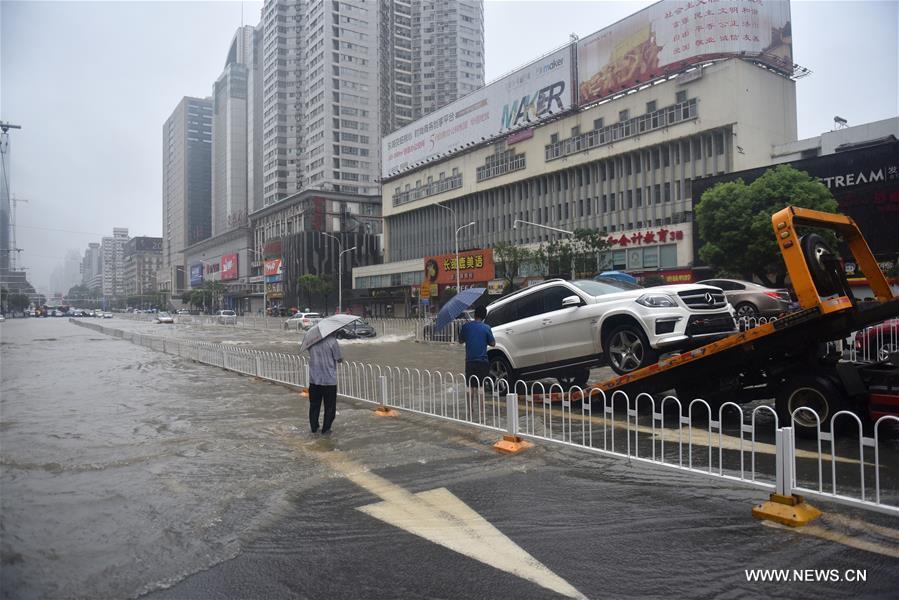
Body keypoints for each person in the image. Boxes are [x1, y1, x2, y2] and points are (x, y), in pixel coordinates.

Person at [307, 333, 343, 434]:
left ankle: (314, 429)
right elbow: (339, 358)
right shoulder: (332, 342)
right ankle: (326, 430)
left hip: (314, 380)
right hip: (329, 381)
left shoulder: (311, 341)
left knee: (314, 406)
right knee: (330, 407)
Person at [459, 305, 495, 390]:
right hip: (483, 362)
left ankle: (470, 404)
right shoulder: (486, 328)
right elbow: (493, 343)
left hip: (470, 361)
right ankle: (481, 404)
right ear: (484, 316)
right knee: (481, 387)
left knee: (470, 387)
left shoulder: (466, 327)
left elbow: (460, 341)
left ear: (474, 314)